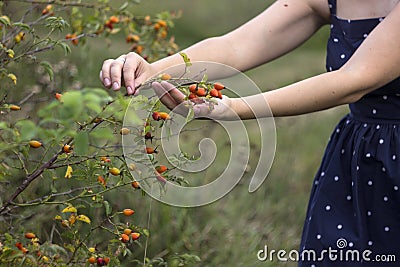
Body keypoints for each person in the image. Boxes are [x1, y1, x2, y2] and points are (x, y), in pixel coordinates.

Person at [100, 0, 400, 265]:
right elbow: (237, 45)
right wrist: (152, 71)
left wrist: (235, 108)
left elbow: (356, 79)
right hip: (360, 156)